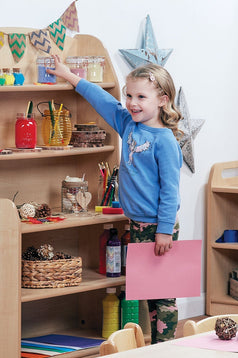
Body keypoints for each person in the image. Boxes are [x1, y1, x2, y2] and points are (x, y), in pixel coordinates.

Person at [47, 56, 183, 343]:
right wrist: (70, 76)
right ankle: (156, 348)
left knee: (164, 295)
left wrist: (163, 231)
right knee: (148, 291)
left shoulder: (165, 142)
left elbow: (171, 191)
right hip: (137, 225)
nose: (133, 103)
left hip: (159, 226)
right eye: (129, 95)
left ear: (162, 100)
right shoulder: (129, 125)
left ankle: (167, 349)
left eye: (141, 97)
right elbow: (103, 101)